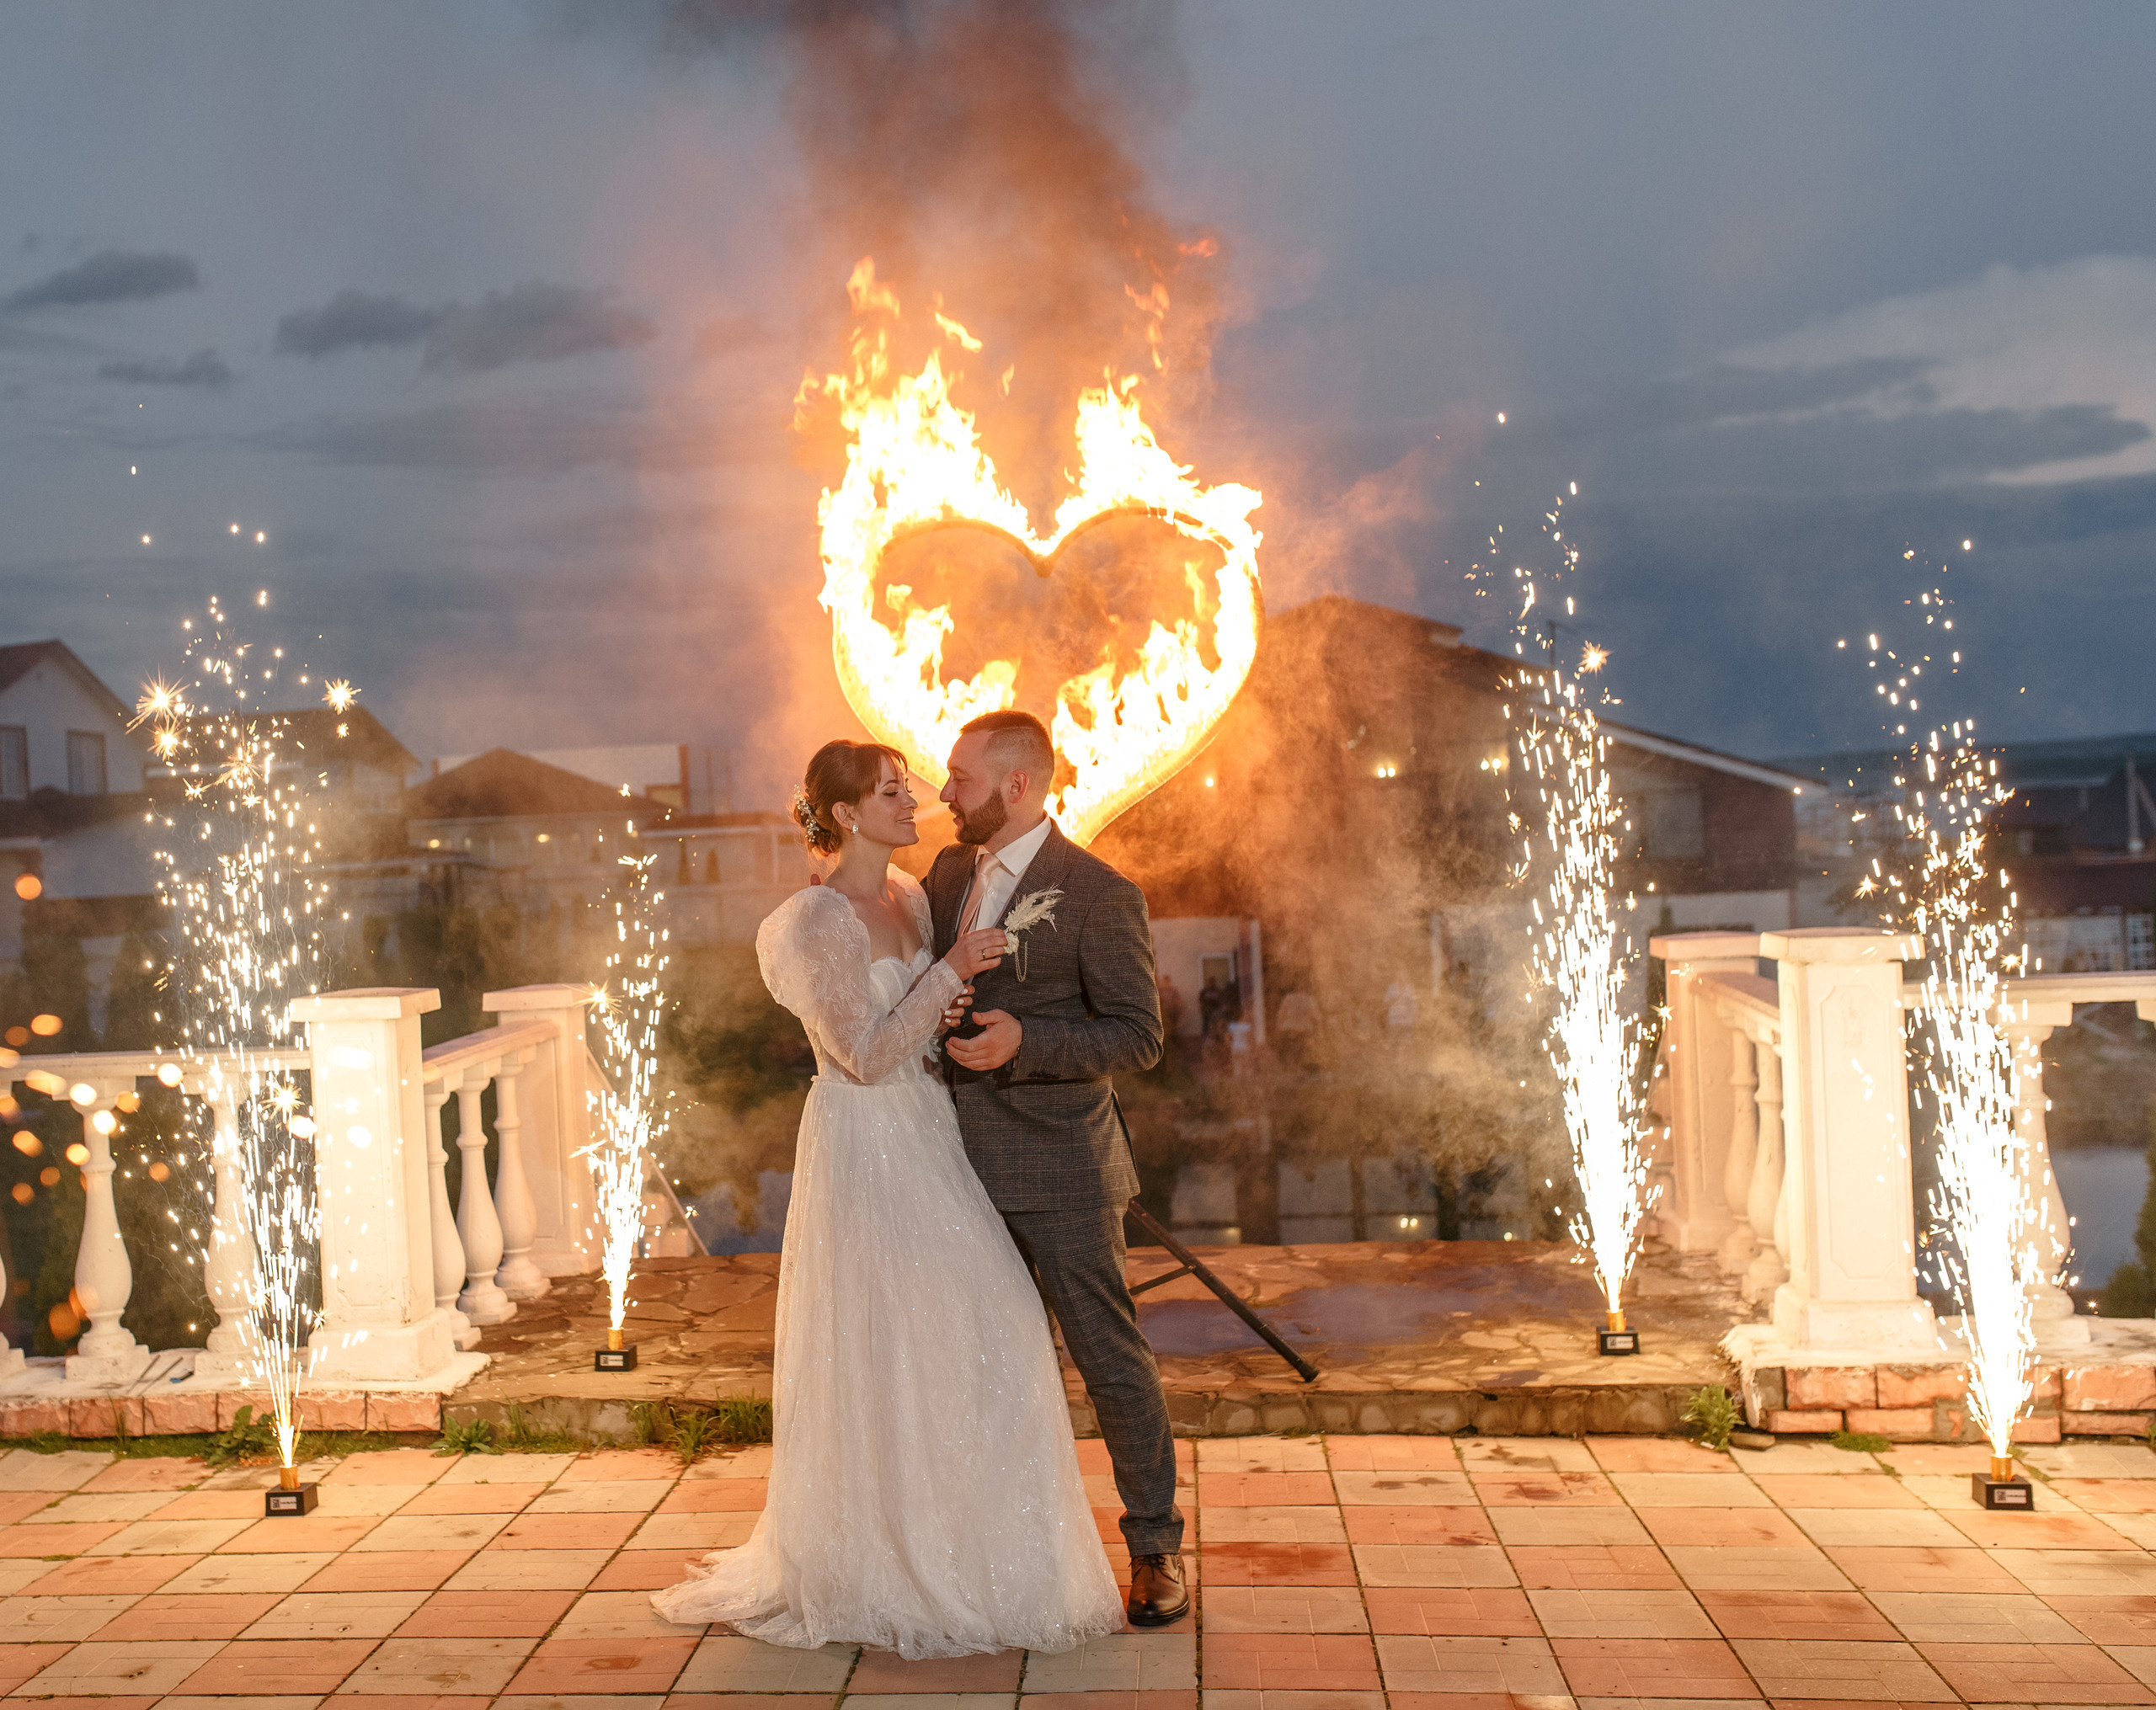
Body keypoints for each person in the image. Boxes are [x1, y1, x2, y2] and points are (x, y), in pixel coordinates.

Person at [651, 740, 1123, 1657]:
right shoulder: (809, 921)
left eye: (909, 789)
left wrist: (953, 1016)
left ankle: (979, 1558)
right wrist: (951, 971)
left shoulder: (911, 896)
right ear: (843, 814)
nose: (915, 804)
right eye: (892, 793)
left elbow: (910, 1030)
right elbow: (862, 1055)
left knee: (989, 1330)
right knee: (885, 1348)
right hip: (864, 1147)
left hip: (931, 1132)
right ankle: (882, 1565)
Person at [928, 710, 1187, 1627]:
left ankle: (1155, 1548)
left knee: (1109, 1362)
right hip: (951, 1166)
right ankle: (998, 1553)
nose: (944, 791)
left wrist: (1027, 1039)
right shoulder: (947, 873)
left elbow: (1138, 1036)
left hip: (1063, 1168)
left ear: (1017, 785)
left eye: (959, 777)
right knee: (982, 1366)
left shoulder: (1099, 893)